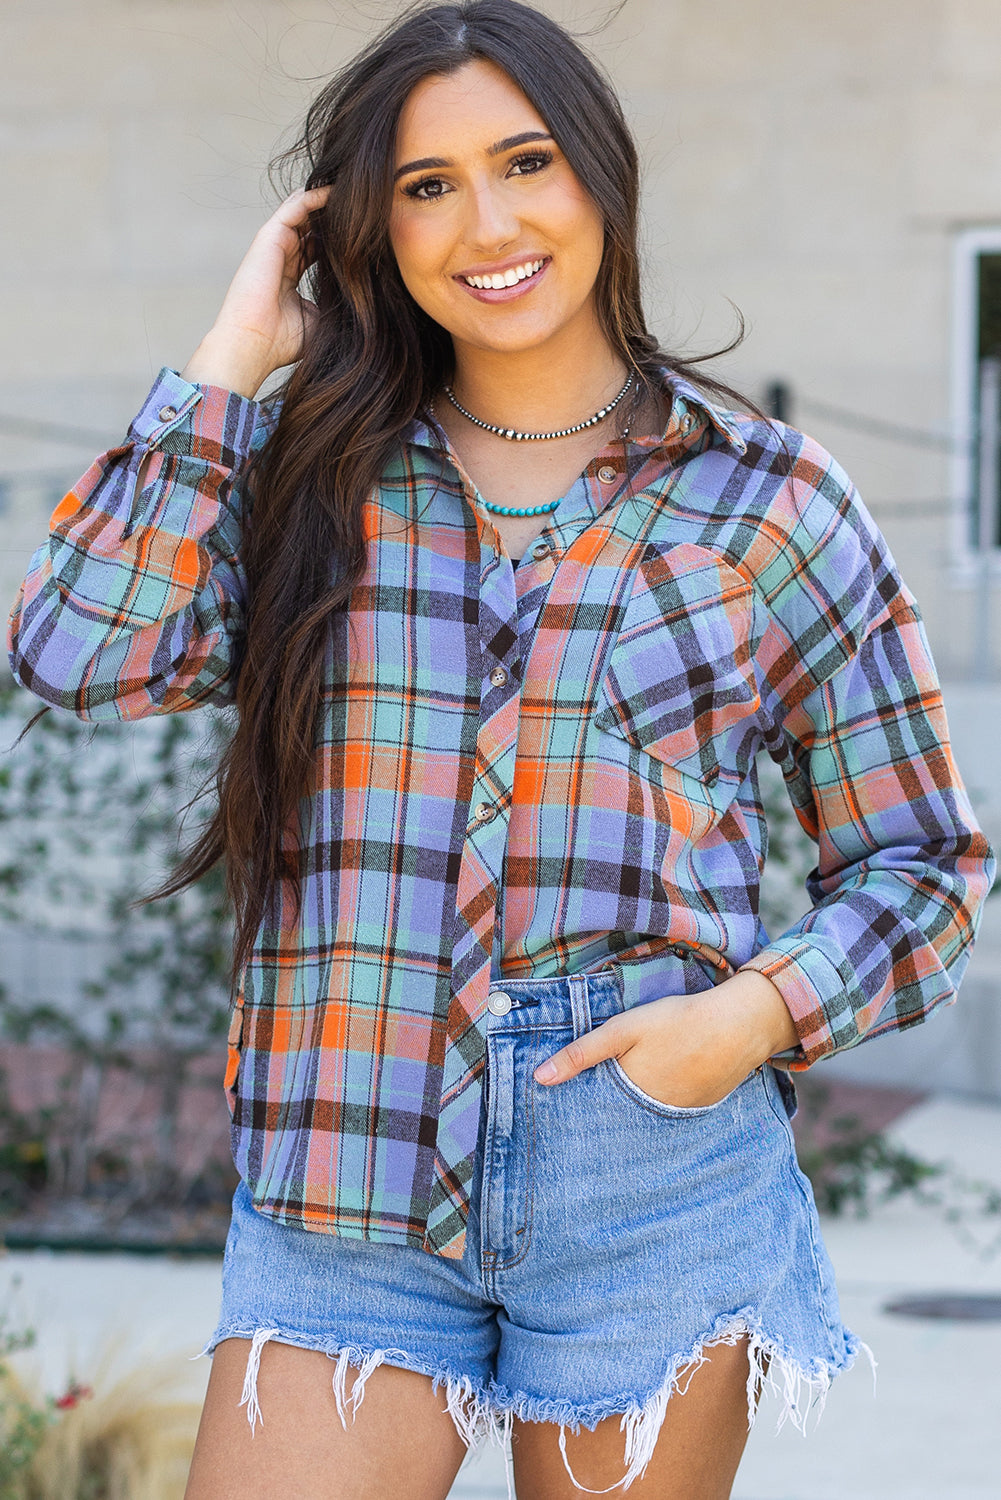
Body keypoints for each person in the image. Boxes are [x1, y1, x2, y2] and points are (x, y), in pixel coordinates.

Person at [6, 3, 994, 1497]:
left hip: (648, 1188)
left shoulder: (769, 503)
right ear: (365, 230)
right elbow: (76, 652)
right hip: (342, 1184)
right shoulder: (300, 481)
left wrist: (747, 1020)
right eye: (425, 185)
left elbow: (925, 863)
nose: (488, 221)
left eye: (524, 161)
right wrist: (228, 360)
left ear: (597, 176)